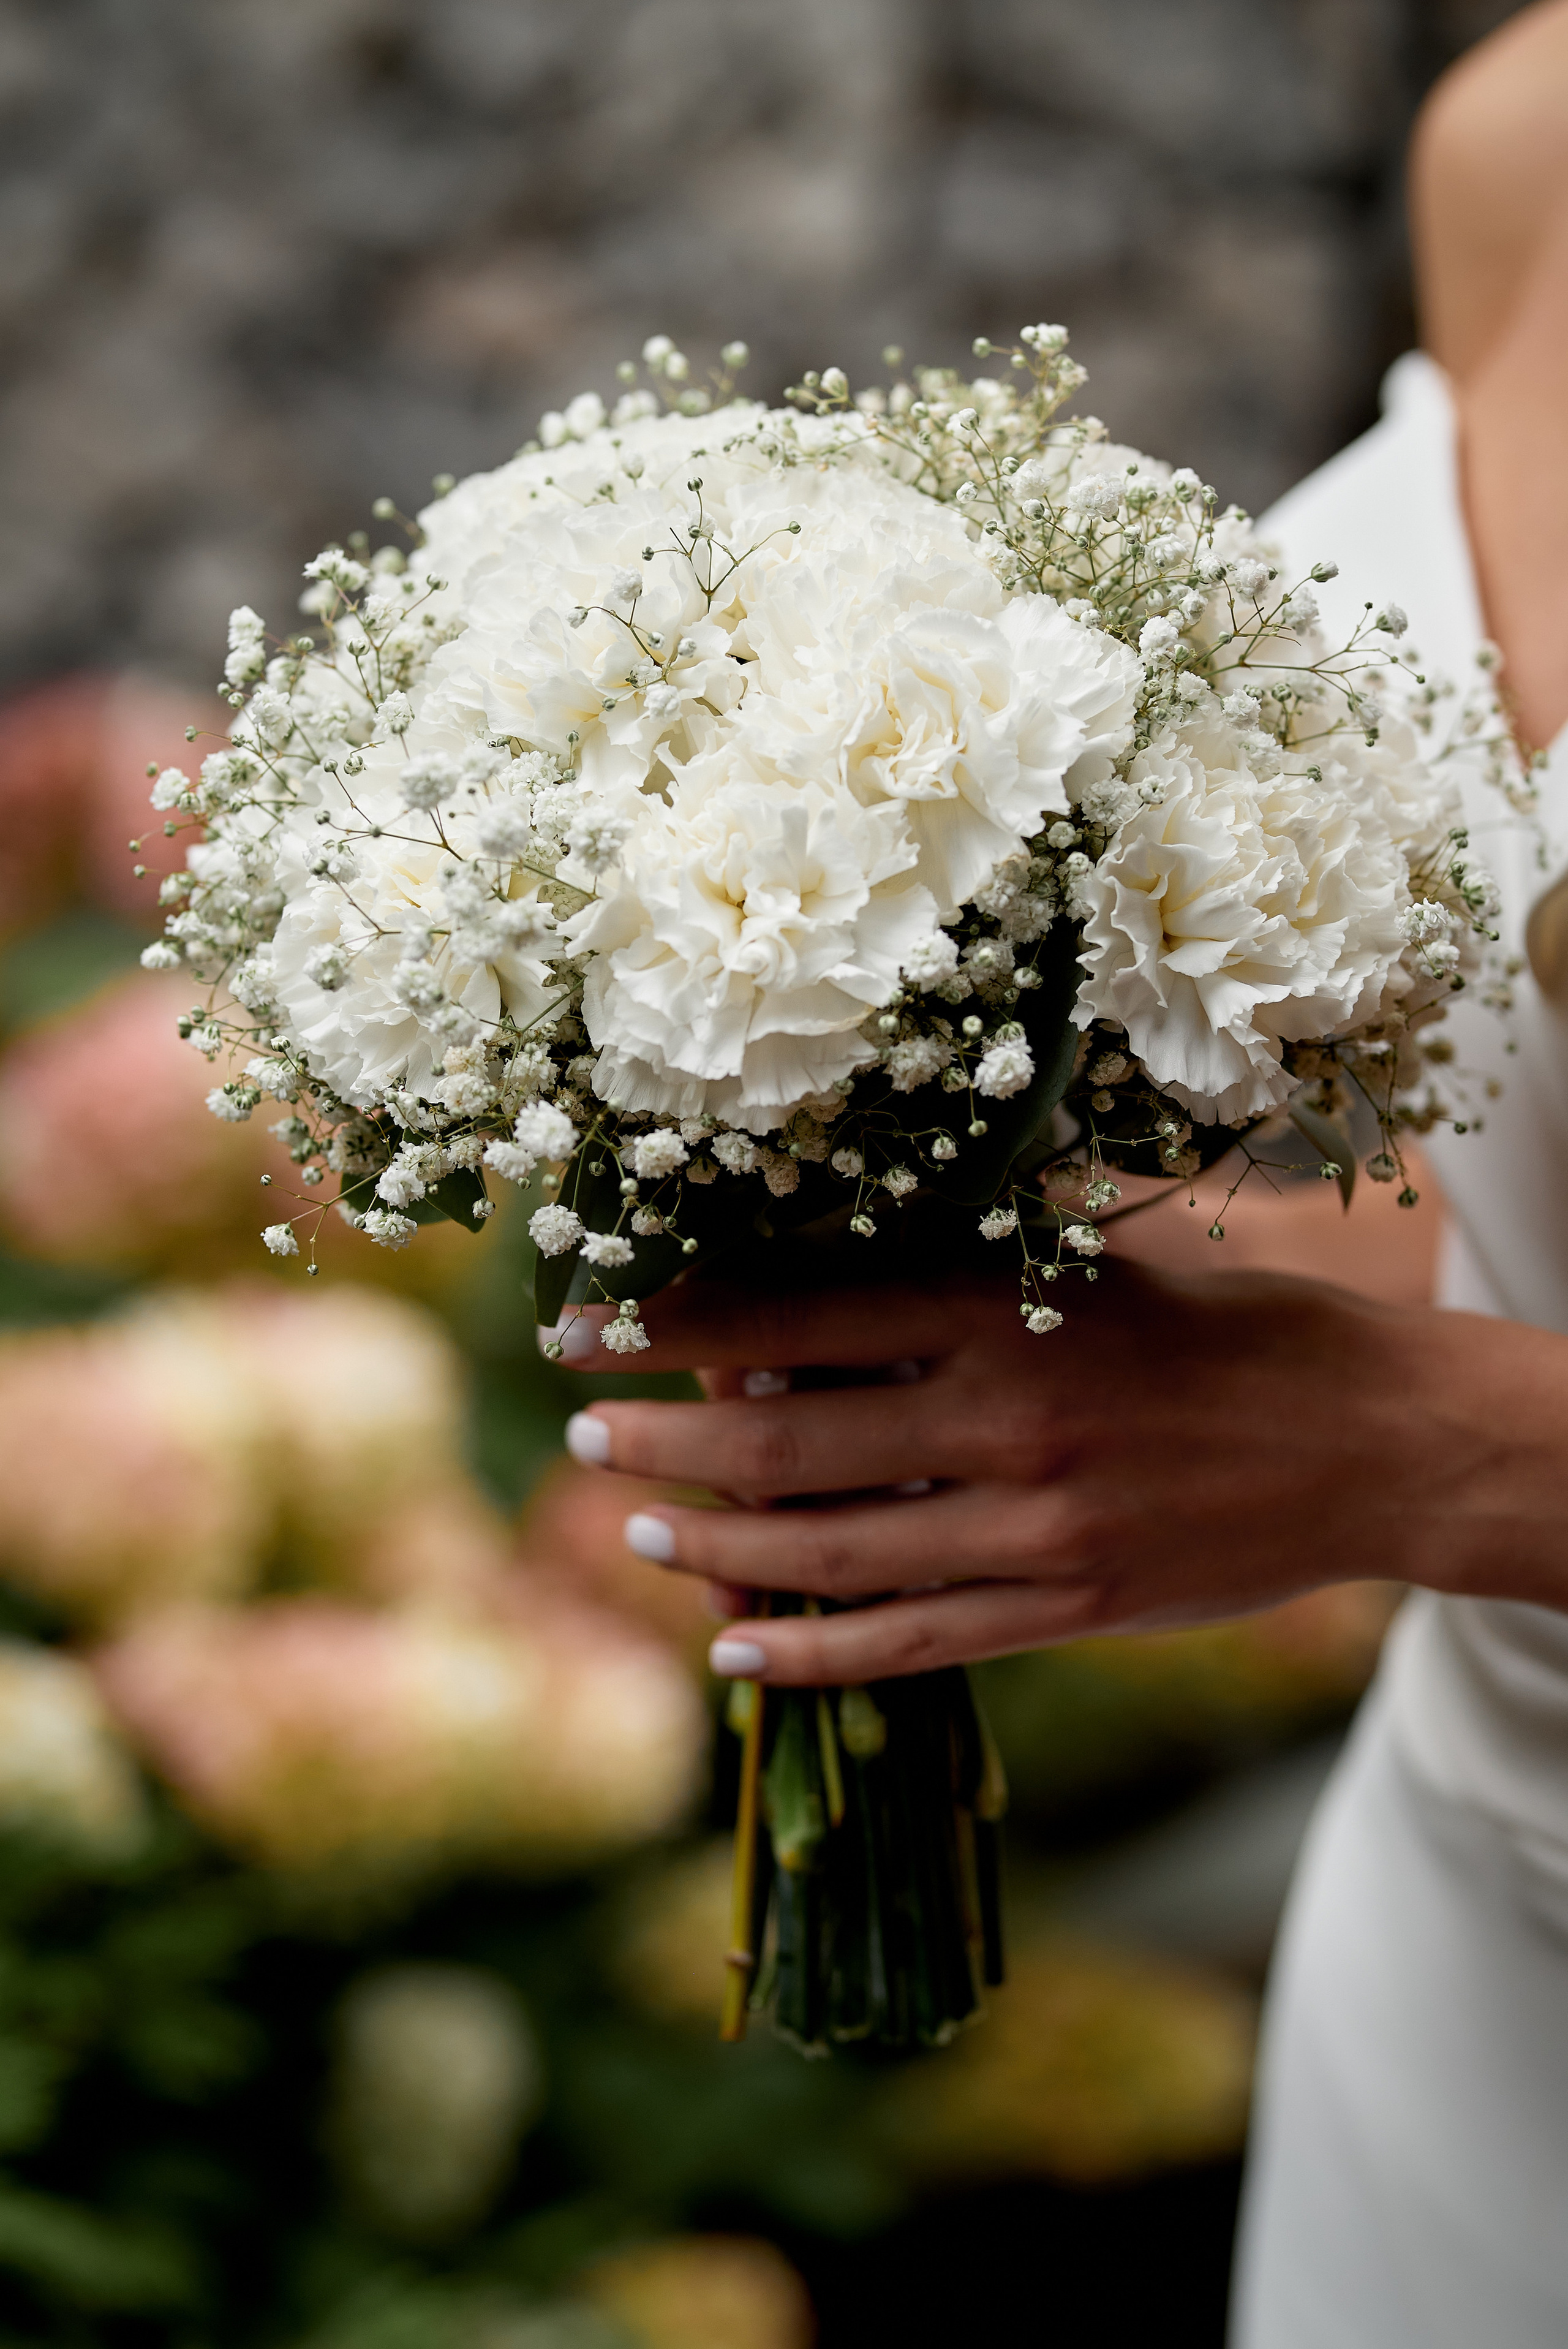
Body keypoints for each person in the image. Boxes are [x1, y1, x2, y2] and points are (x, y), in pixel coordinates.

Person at [548, 8, 1568, 2339]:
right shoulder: (1522, 135)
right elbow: (1529, 1140)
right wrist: (960, 1306)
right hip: (1478, 1993)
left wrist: (1416, 1457)